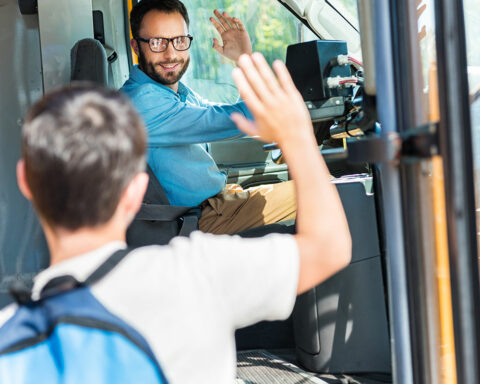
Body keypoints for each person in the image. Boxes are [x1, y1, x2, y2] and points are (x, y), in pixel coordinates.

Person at [0, 53, 351, 383]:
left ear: (25, 182)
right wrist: (298, 136)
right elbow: (329, 248)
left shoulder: (8, 340)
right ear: (136, 191)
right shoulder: (196, 272)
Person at [121, 0, 297, 235]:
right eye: (157, 43)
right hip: (200, 219)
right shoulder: (141, 102)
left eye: (179, 41)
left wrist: (241, 60)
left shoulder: (173, 91)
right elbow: (235, 119)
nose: (171, 54)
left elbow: (227, 113)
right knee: (325, 191)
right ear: (136, 46)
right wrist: (245, 60)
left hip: (219, 201)